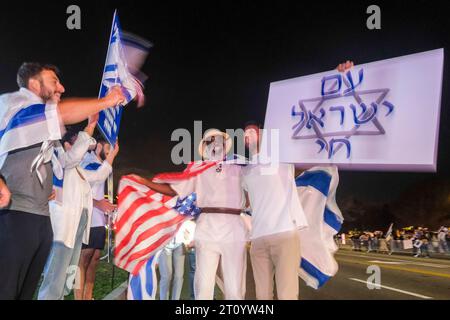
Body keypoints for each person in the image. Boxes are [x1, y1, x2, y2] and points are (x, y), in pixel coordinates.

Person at [0, 62, 125, 300]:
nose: (62, 87)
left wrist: (89, 127)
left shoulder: (50, 140)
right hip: (15, 213)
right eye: (54, 82)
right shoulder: (14, 106)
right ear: (34, 84)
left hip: (41, 219)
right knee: (9, 287)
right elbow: (61, 113)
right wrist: (106, 101)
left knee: (28, 288)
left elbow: (67, 161)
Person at [130, 129, 249, 300]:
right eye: (209, 141)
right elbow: (175, 189)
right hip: (207, 227)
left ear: (225, 145)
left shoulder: (239, 165)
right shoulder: (197, 169)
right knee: (203, 286)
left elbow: (256, 184)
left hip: (234, 227)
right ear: (205, 147)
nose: (214, 144)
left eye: (218, 140)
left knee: (235, 287)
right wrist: (145, 182)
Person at [38, 127, 120, 300]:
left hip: (75, 233)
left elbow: (99, 175)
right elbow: (74, 156)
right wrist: (90, 127)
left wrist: (112, 155)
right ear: (67, 146)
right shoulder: (62, 163)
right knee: (55, 277)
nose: (83, 147)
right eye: (78, 142)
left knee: (65, 279)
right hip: (63, 234)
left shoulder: (77, 170)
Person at [242, 121, 308, 300]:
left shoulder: (283, 161)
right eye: (245, 134)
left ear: (264, 136)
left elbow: (309, 157)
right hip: (258, 239)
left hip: (284, 233)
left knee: (287, 293)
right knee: (262, 295)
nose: (248, 135)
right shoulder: (245, 172)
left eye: (253, 132)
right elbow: (246, 203)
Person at [74, 137, 117, 300]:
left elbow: (99, 195)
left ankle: (88, 296)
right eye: (108, 147)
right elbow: (78, 193)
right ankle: (78, 297)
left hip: (98, 219)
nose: (110, 151)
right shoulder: (88, 163)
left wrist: (106, 213)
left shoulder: (102, 166)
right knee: (82, 261)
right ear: (98, 146)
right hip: (87, 219)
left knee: (94, 259)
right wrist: (99, 204)